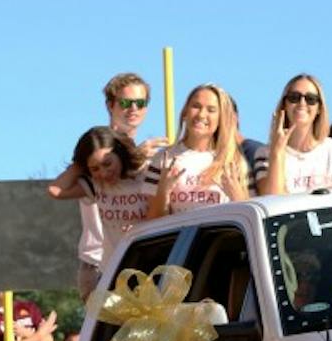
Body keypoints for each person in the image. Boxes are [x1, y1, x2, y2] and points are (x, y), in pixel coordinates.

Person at [50, 73, 168, 298]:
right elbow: (57, 189)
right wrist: (83, 162)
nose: (133, 109)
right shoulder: (98, 144)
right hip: (99, 263)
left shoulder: (147, 158)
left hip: (138, 261)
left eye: (140, 103)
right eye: (125, 102)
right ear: (110, 105)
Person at [50, 127, 152, 297]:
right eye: (95, 168)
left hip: (149, 267)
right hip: (113, 273)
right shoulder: (95, 185)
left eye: (107, 163)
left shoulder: (145, 174)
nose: (104, 173)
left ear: (120, 153)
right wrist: (79, 165)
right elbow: (55, 190)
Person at [145, 83, 250, 217]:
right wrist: (163, 192)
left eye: (211, 110)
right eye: (196, 106)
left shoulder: (234, 161)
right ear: (184, 113)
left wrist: (237, 197)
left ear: (220, 119)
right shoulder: (164, 159)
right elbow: (152, 221)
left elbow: (248, 216)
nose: (201, 114)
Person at [255, 74, 332, 196]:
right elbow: (272, 200)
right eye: (294, 97)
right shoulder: (264, 153)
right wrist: (277, 152)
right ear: (284, 105)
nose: (302, 103)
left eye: (310, 99)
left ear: (319, 108)